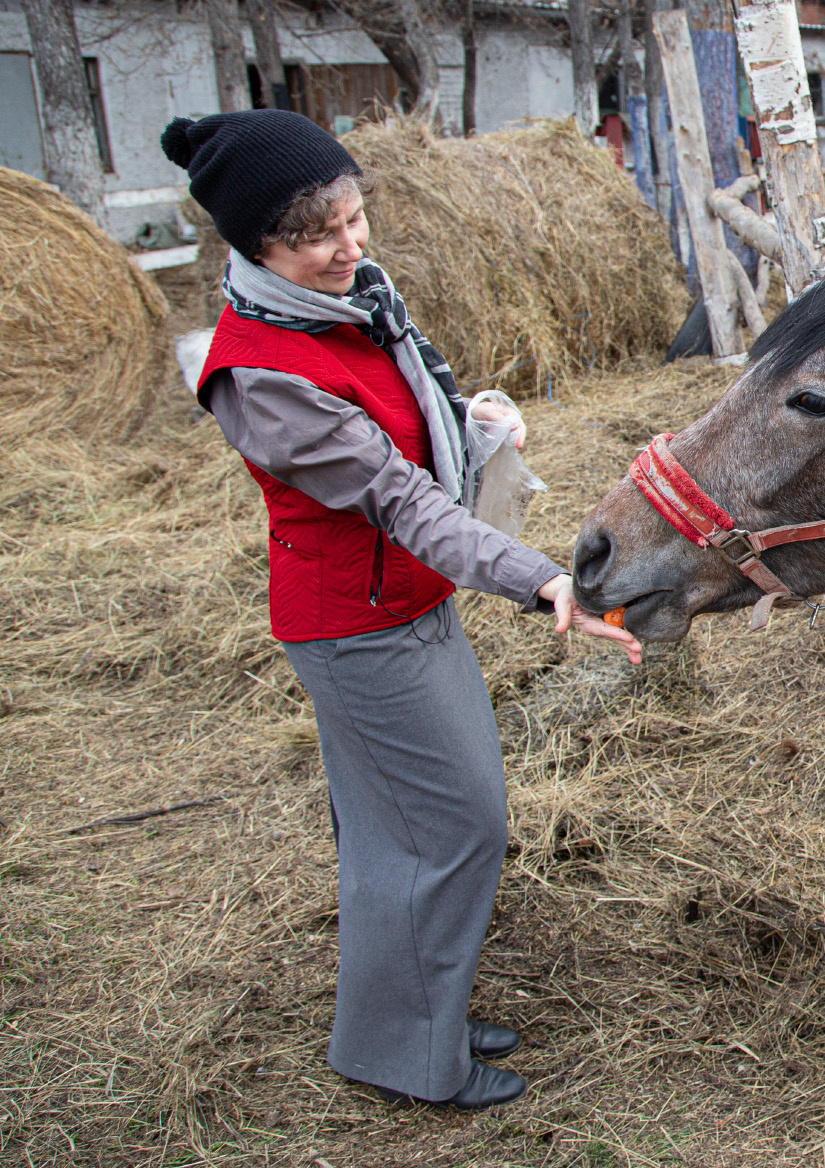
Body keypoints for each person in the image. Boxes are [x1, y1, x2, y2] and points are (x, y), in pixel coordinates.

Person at [164, 110, 643, 1112]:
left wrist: (468, 425)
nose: (352, 244)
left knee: (405, 830)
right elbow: (403, 501)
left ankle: (411, 1017)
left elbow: (408, 425)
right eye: (319, 233)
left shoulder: (350, 302)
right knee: (455, 824)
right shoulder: (260, 373)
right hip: (356, 624)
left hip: (399, 605)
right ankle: (413, 1053)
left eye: (354, 214)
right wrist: (542, 576)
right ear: (260, 246)